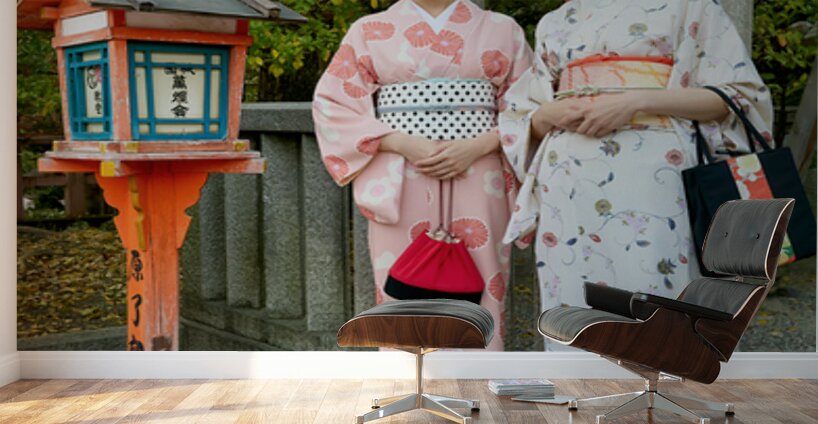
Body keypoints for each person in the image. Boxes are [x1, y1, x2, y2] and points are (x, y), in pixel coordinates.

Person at [499, 0, 772, 348]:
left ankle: (659, 388)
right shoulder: (557, 19)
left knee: (654, 283)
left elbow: (738, 96)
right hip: (566, 179)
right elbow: (525, 115)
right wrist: (549, 112)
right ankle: (576, 391)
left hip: (654, 172)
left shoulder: (690, 6)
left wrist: (636, 101)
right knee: (570, 293)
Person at [313, 0, 533, 351]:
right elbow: (332, 103)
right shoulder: (369, 31)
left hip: (481, 168)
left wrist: (479, 145)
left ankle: (478, 378)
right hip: (399, 170)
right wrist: (399, 141)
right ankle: (405, 378)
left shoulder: (502, 29)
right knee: (402, 279)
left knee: (484, 273)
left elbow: (531, 105)